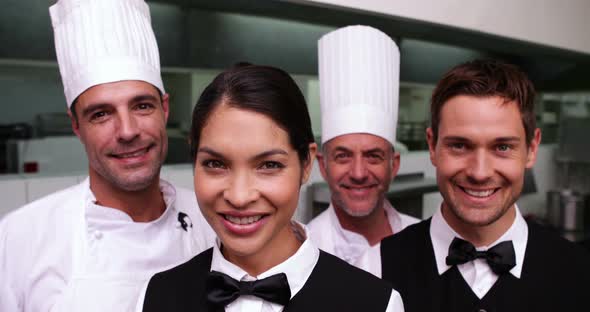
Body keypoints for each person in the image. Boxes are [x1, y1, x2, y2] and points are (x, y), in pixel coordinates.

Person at [0, 0, 215, 310]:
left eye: (142, 105)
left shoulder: (214, 221)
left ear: (164, 109)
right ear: (76, 125)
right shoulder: (20, 238)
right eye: (101, 114)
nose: (127, 131)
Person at [136, 64, 404, 311]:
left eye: (269, 165)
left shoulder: (376, 304)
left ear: (307, 163)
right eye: (216, 163)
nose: (239, 197)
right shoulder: (156, 296)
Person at [360, 59, 590, 311]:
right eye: (459, 145)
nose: (479, 173)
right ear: (432, 146)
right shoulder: (373, 268)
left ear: (531, 149)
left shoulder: (580, 272)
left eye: (502, 147)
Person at [306, 25, 419, 268]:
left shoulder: (424, 242)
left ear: (394, 165)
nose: (358, 173)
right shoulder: (302, 252)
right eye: (343, 156)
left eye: (373, 156)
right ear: (323, 166)